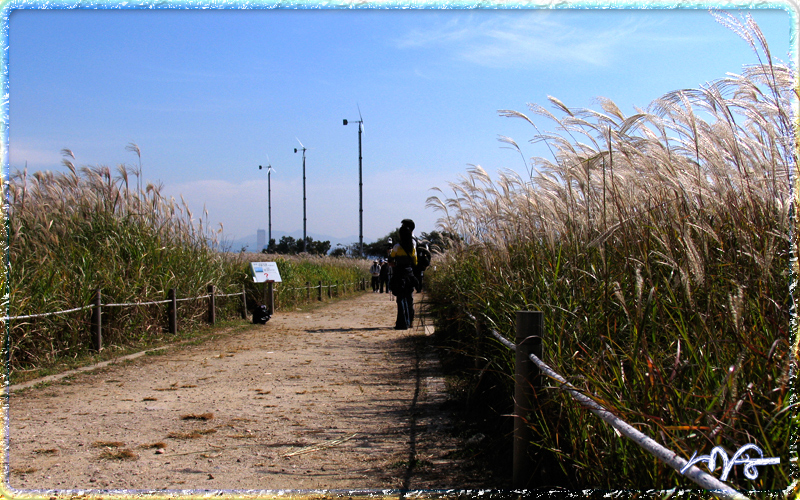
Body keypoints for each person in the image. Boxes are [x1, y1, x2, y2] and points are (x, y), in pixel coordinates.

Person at [388, 219, 418, 330]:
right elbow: (415, 262)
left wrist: (395, 263)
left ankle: (402, 322)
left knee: (400, 299)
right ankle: (410, 321)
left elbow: (390, 260)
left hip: (399, 274)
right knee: (409, 298)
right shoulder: (413, 247)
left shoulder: (396, 247)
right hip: (409, 275)